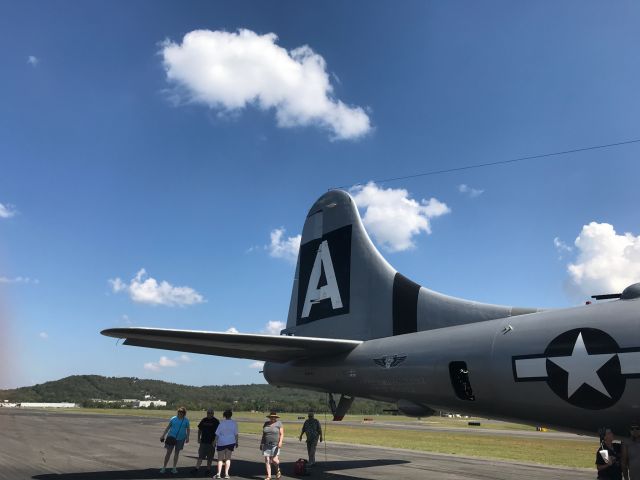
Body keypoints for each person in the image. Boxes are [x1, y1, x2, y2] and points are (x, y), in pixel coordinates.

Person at [160, 406, 190, 475]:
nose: (180, 413)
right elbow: (168, 427)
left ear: (184, 413)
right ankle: (164, 467)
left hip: (181, 439)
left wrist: (187, 437)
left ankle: (174, 468)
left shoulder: (186, 420)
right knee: (168, 453)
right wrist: (163, 435)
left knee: (177, 453)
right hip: (171, 437)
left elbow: (188, 429)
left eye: (182, 412)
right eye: (179, 412)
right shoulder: (173, 419)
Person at [191, 408, 220, 476]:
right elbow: (200, 429)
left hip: (211, 442)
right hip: (203, 441)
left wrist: (215, 441)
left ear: (213, 414)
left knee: (210, 457)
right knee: (200, 456)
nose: (209, 414)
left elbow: (218, 432)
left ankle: (208, 469)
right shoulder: (204, 420)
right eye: (208, 413)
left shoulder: (216, 421)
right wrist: (198, 438)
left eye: (210, 413)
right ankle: (196, 468)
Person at [214, 409, 238, 479]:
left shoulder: (221, 423)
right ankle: (226, 474)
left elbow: (217, 434)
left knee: (220, 459)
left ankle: (218, 474)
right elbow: (236, 434)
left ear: (224, 415)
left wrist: (214, 441)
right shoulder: (234, 423)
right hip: (230, 442)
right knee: (228, 459)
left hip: (221, 442)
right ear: (231, 415)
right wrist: (236, 442)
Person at [261, 411, 284, 480]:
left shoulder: (279, 423)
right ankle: (269, 476)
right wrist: (261, 443)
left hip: (275, 444)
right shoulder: (266, 423)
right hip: (266, 444)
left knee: (274, 460)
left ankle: (278, 470)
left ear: (276, 417)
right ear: (269, 417)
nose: (272, 418)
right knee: (267, 460)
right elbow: (264, 434)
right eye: (271, 417)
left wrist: (280, 442)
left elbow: (282, 434)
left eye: (274, 417)